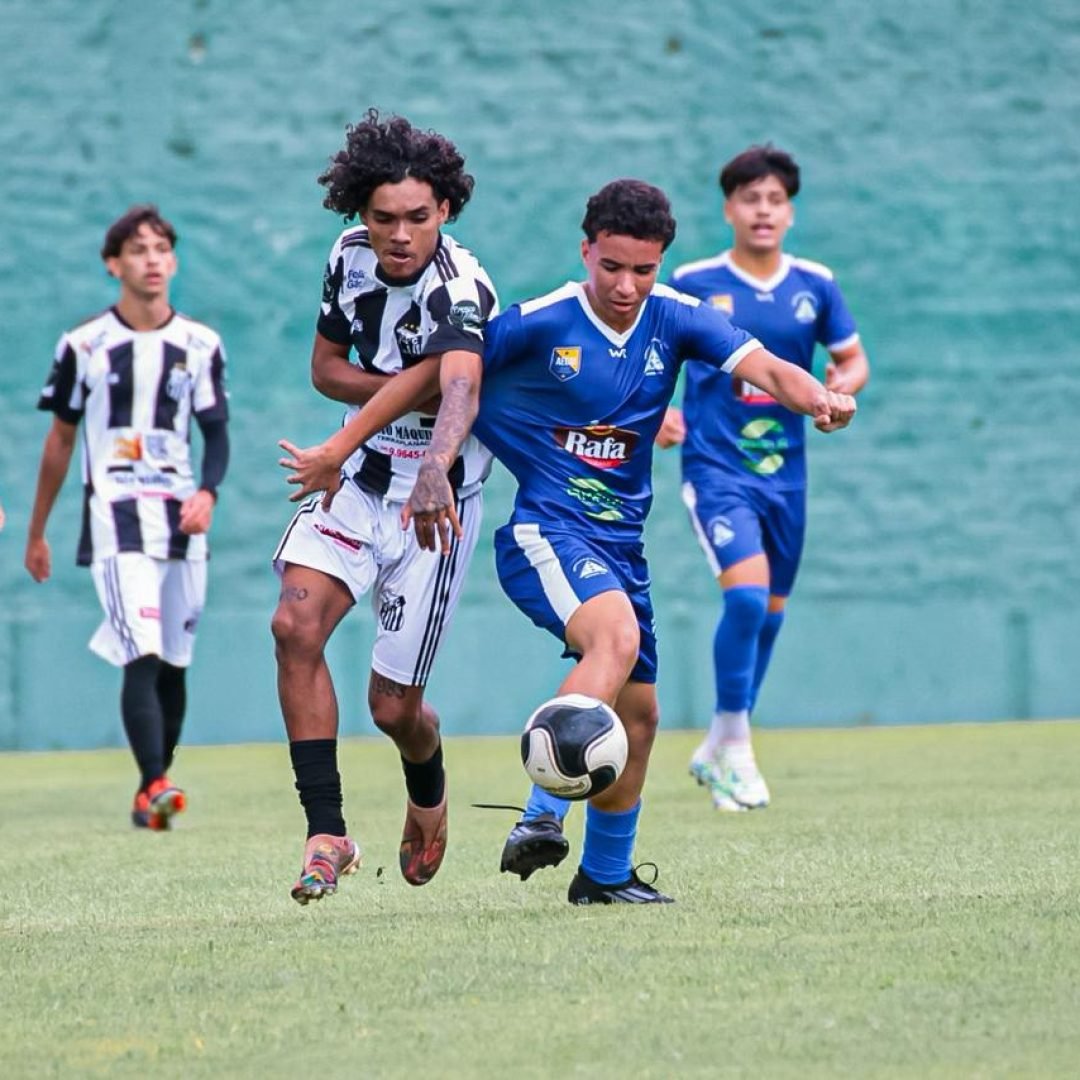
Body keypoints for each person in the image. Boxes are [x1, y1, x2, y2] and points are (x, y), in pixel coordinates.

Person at [283, 178, 855, 904]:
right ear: (587, 251)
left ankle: (606, 877)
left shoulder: (679, 317)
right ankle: (540, 815)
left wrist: (820, 398)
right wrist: (399, 447)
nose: (625, 285)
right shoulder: (539, 321)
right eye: (610, 266)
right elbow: (451, 376)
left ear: (661, 264)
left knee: (641, 716)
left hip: (622, 546)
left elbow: (766, 367)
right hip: (545, 533)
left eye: (642, 270)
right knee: (610, 640)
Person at [270, 110, 498, 905]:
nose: (400, 234)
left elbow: (463, 384)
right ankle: (326, 831)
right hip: (360, 479)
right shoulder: (348, 259)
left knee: (393, 707)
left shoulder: (463, 287)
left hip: (436, 502)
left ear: (447, 211)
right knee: (293, 624)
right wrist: (407, 399)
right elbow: (327, 371)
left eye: (418, 217)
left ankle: (427, 794)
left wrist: (435, 456)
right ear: (358, 215)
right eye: (383, 217)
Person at [656, 145, 870, 811]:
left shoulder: (816, 285)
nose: (763, 211)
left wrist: (843, 389)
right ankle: (738, 749)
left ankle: (718, 742)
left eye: (775, 200)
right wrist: (658, 410)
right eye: (750, 199)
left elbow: (853, 360)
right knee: (746, 599)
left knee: (770, 615)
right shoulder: (693, 280)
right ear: (729, 209)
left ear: (790, 212)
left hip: (787, 476)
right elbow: (651, 352)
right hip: (716, 469)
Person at [25, 204, 230, 830]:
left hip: (182, 524)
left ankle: (152, 796)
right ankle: (155, 784)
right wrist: (37, 531)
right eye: (137, 250)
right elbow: (60, 442)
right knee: (140, 649)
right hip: (116, 520)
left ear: (173, 261)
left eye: (162, 249)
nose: (151, 260)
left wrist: (209, 493)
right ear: (114, 264)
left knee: (173, 658)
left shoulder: (200, 345)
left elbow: (216, 435)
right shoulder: (84, 346)